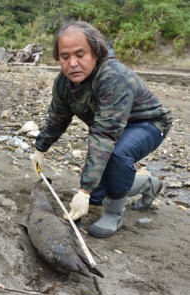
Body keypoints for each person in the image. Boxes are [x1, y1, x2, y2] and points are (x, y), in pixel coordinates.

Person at [32, 21, 172, 238]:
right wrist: (40, 148)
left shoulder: (112, 77)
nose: (73, 63)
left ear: (96, 52)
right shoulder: (63, 83)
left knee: (116, 155)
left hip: (148, 124)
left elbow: (105, 135)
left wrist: (84, 190)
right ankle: (147, 184)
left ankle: (114, 214)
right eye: (65, 56)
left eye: (80, 54)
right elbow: (58, 117)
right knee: (99, 192)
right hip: (112, 128)